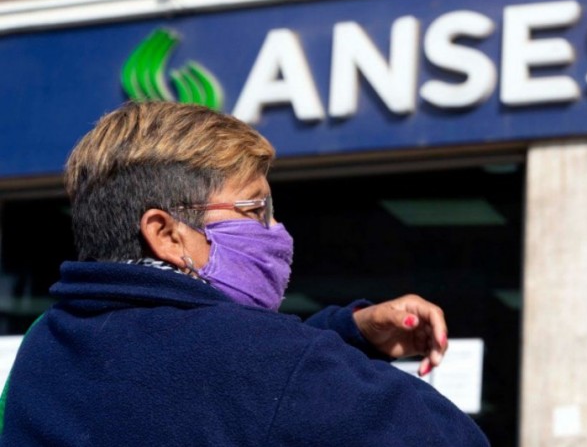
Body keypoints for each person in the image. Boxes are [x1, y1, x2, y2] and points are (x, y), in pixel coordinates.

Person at [0, 101, 490, 446]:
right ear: (167, 234)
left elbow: (209, 380)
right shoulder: (266, 361)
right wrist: (310, 354)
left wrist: (346, 333)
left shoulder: (46, 344)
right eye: (256, 209)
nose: (276, 229)